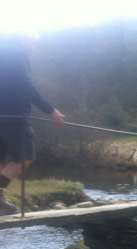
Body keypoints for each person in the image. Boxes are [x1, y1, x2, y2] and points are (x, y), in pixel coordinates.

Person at [0, 33, 65, 215]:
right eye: (33, 43)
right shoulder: (17, 54)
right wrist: (51, 111)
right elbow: (25, 85)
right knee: (24, 157)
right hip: (15, 116)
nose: (34, 48)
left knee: (1, 158)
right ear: (23, 38)